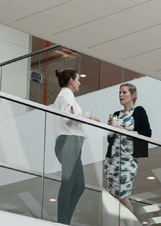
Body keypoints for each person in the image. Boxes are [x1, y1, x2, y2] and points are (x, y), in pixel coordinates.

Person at [52, 68, 100, 225]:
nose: (79, 83)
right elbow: (69, 118)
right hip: (69, 142)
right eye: (78, 80)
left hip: (70, 143)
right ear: (71, 81)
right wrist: (89, 119)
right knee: (69, 184)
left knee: (79, 185)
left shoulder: (65, 95)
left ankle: (65, 220)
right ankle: (62, 222)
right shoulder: (66, 95)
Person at [104, 83, 152, 217]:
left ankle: (131, 223)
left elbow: (147, 133)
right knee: (113, 196)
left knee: (123, 195)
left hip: (128, 160)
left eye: (124, 92)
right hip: (112, 160)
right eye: (119, 92)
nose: (121, 95)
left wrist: (125, 131)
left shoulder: (138, 111)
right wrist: (110, 129)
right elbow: (110, 139)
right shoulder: (116, 114)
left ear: (132, 96)